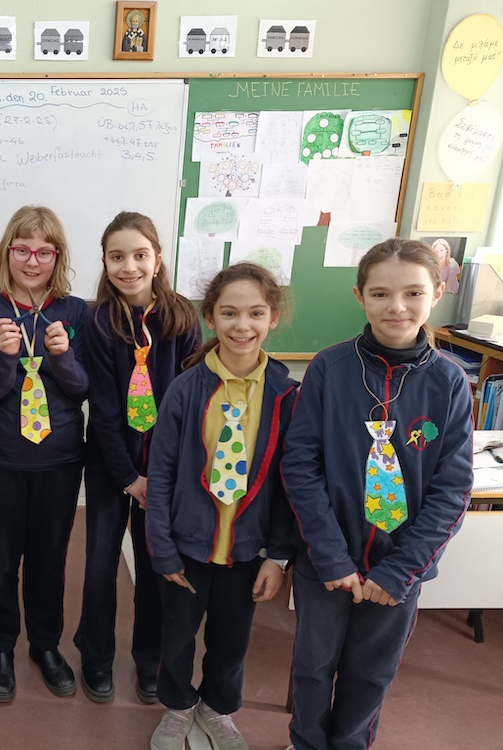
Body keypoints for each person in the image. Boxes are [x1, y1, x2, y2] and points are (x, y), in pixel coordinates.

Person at [282, 239, 473, 750]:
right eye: (381, 293)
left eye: (413, 293)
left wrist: (400, 571)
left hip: (397, 568)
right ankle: (306, 743)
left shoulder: (451, 382)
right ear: (359, 296)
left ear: (436, 294)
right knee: (312, 667)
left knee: (371, 673)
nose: (397, 307)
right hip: (327, 562)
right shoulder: (329, 368)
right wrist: (330, 557)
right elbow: (300, 466)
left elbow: (452, 489)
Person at [146, 262, 298, 750]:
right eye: (229, 313)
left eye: (255, 313)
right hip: (187, 546)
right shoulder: (186, 389)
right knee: (176, 638)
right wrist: (162, 549)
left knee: (231, 641)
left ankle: (217, 708)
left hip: (247, 550)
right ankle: (177, 706)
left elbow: (289, 484)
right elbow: (161, 474)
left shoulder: (286, 395)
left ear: (272, 317)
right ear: (210, 317)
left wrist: (278, 555)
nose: (242, 325)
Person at [0, 205, 89, 702]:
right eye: (22, 250)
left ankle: (45, 645)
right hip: (2, 463)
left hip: (59, 461)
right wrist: (4, 357)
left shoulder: (75, 312)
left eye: (43, 252)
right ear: (6, 252)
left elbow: (82, 389)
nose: (32, 261)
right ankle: (0, 649)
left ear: (57, 256)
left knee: (49, 560)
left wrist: (64, 357)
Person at [74, 212, 201, 705]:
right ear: (105, 263)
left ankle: (150, 659)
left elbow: (190, 403)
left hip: (164, 469)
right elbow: (103, 408)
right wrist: (129, 477)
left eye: (140, 255)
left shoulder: (182, 317)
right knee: (100, 564)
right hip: (111, 465)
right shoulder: (97, 321)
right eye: (117, 257)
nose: (129, 267)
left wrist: (159, 476)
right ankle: (96, 656)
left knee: (155, 566)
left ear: (158, 259)